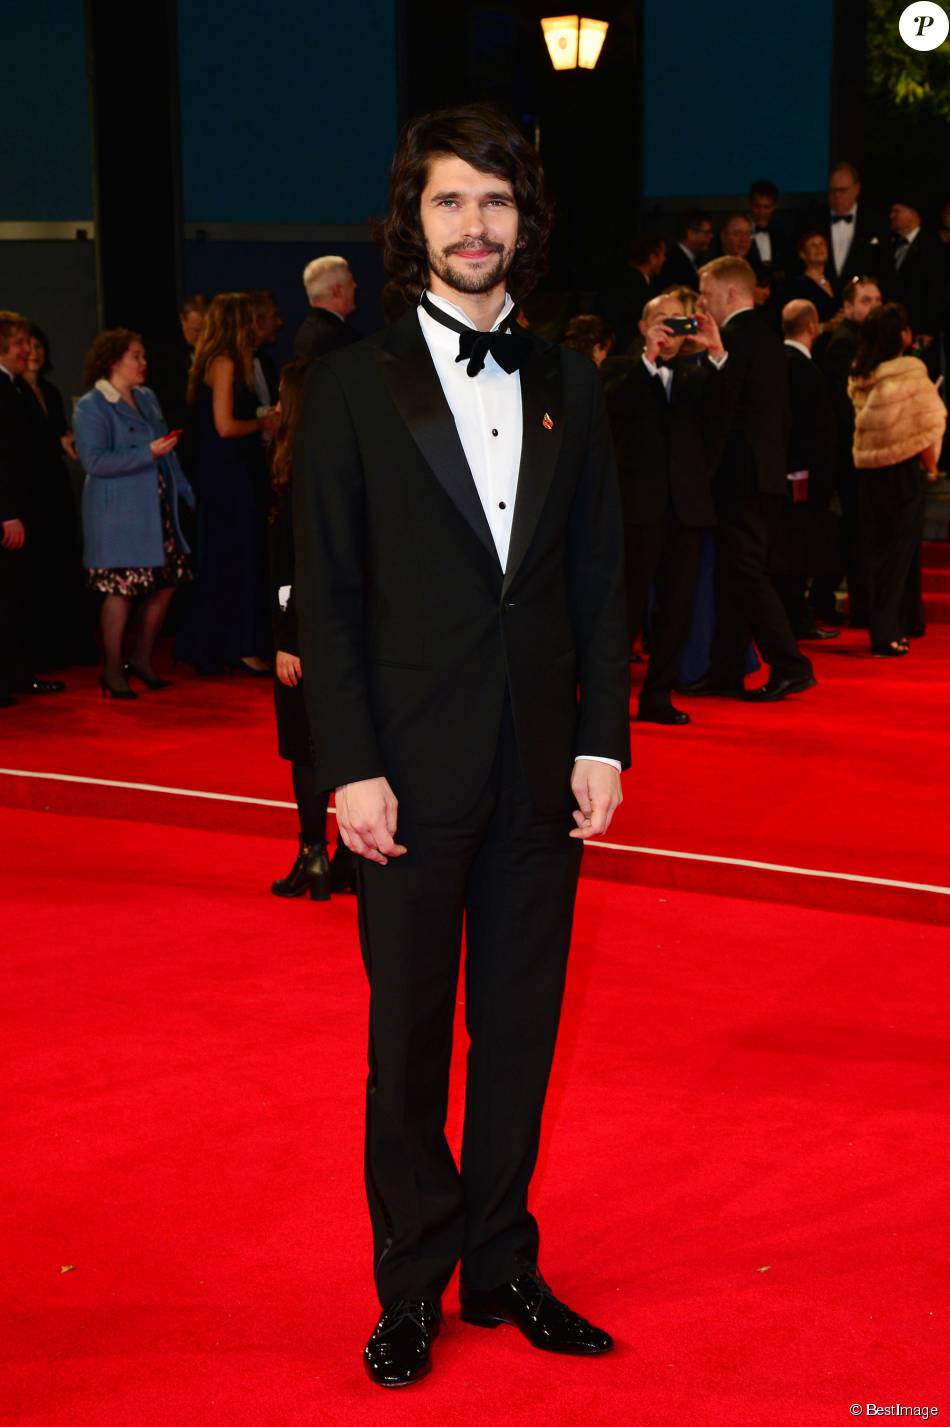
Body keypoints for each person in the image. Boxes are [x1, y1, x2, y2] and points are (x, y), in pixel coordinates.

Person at [293, 103, 629, 1389]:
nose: (474, 224)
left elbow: (602, 575)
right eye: (449, 201)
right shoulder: (347, 385)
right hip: (406, 777)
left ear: (521, 221)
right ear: (414, 223)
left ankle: (500, 1261)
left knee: (522, 1029)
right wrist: (349, 764)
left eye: (494, 200)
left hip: (544, 767)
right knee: (410, 1041)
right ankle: (408, 1285)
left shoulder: (567, 383)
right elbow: (325, 595)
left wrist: (604, 738)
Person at [681, 256, 815, 702]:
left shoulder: (739, 337)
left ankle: (791, 664)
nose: (701, 302)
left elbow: (722, 412)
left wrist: (712, 359)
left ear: (731, 293)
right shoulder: (766, 336)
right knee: (731, 576)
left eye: (706, 292)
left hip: (743, 480)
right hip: (758, 476)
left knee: (744, 572)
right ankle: (724, 670)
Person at [606, 290, 726, 725]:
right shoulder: (622, 370)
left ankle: (658, 696)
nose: (673, 332)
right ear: (643, 327)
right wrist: (649, 361)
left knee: (677, 609)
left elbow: (726, 412)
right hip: (637, 513)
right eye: (664, 322)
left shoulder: (698, 376)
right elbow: (609, 410)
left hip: (687, 513)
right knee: (625, 611)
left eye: (681, 323)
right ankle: (608, 706)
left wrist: (716, 351)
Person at [267, 358, 357, 900]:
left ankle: (315, 854)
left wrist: (286, 640)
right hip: (342, 626)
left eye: (281, 394)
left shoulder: (299, 466)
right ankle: (343, 856)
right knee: (341, 737)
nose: (274, 404)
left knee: (307, 745)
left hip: (307, 631)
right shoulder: (342, 457)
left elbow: (297, 565)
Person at [73, 329, 195, 698]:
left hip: (156, 508)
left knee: (168, 581)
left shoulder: (146, 397)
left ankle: (140, 657)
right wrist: (148, 454)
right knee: (122, 590)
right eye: (136, 356)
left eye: (143, 356)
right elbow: (94, 461)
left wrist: (185, 489)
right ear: (114, 361)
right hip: (120, 515)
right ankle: (112, 669)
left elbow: (166, 451)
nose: (144, 363)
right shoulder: (92, 405)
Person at [173, 293, 275, 676]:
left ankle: (223, 643)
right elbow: (225, 426)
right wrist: (264, 423)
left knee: (227, 558)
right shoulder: (226, 362)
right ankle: (240, 645)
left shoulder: (217, 361)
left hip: (226, 474)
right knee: (239, 558)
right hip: (229, 475)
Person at [849, 303, 945, 656]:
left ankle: (904, 621)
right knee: (899, 552)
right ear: (900, 336)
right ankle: (886, 632)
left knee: (877, 551)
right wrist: (932, 467)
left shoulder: (862, 373)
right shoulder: (911, 374)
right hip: (903, 471)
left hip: (868, 472)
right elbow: (928, 426)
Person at [0, 311, 69, 704]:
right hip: (12, 510)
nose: (28, 350)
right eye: (20, 343)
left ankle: (18, 674)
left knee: (20, 595)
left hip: (27, 506)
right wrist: (7, 512)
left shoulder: (17, 387)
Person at [21, 325, 89, 670]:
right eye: (26, 345)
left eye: (37, 345)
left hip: (54, 484)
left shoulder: (49, 389)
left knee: (60, 559)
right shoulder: (12, 389)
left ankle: (62, 643)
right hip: (28, 488)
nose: (33, 352)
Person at [776, 300, 840, 640]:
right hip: (803, 476)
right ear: (813, 327)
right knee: (798, 551)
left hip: (781, 472)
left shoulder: (775, 363)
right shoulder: (805, 369)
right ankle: (798, 620)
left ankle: (793, 618)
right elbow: (819, 432)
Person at [821, 277, 883, 625]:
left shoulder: (864, 342)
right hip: (850, 454)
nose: (872, 306)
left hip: (861, 452)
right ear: (846, 308)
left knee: (861, 530)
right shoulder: (844, 344)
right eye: (865, 301)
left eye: (876, 300)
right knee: (857, 530)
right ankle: (859, 606)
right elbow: (847, 406)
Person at [886, 198, 944, 372]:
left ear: (914, 214)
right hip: (893, 327)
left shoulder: (932, 246)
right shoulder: (889, 245)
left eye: (898, 211)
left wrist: (929, 329)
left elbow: (937, 289)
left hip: (920, 329)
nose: (892, 216)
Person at [817, 162, 887, 299]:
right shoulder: (813, 221)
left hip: (862, 305)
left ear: (857, 189)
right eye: (832, 190)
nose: (837, 195)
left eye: (842, 190)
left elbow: (884, 270)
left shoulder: (876, 223)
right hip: (821, 302)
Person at [593, 232, 666, 354]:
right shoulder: (640, 290)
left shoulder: (615, 279)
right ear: (652, 257)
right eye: (663, 254)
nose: (665, 259)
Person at [293, 257, 361, 358]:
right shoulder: (342, 338)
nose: (355, 285)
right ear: (337, 291)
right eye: (351, 281)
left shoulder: (305, 332)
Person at [782, 231, 840, 328]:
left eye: (822, 244)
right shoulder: (797, 285)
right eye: (813, 245)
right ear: (803, 254)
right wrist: (826, 326)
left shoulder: (834, 281)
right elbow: (796, 323)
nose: (819, 248)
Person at [659, 210, 714, 290]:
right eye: (707, 232)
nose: (711, 236)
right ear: (690, 233)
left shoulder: (695, 260)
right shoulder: (673, 262)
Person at [748, 178, 789, 282]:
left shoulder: (782, 233)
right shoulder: (741, 232)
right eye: (757, 206)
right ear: (750, 204)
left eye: (766, 207)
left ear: (774, 206)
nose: (761, 212)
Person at [251, 289, 283, 407]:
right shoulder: (230, 366)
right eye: (274, 316)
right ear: (258, 321)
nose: (280, 322)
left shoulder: (266, 361)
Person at [717, 212, 764, 279]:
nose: (744, 240)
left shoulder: (756, 266)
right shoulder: (713, 268)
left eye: (748, 234)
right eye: (737, 234)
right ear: (723, 236)